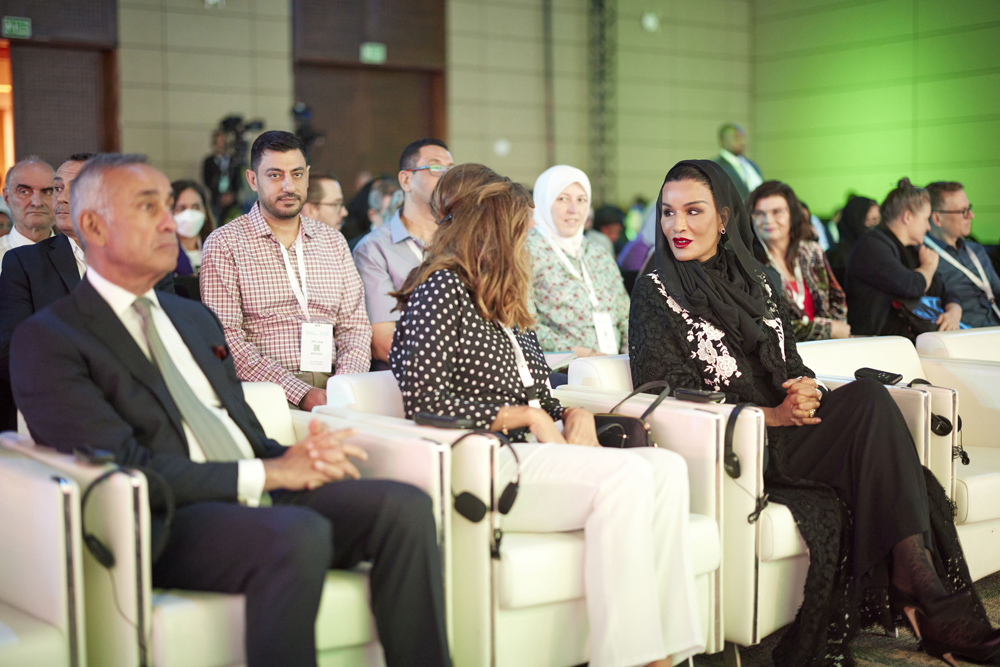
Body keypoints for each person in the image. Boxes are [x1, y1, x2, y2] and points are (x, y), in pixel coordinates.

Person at [10, 153, 450, 667]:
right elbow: (127, 467)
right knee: (296, 534)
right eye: (147, 207)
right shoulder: (50, 339)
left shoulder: (192, 318)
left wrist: (297, 456)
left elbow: (238, 430)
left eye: (168, 207)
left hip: (253, 486)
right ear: (92, 225)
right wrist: (267, 472)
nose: (169, 222)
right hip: (166, 518)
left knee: (405, 506)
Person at [629, 158, 1000, 666]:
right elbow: (671, 397)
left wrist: (804, 389)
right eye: (668, 213)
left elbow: (790, 360)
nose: (677, 226)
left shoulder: (757, 278)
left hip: (792, 425)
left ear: (723, 217)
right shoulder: (656, 291)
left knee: (869, 398)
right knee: (874, 418)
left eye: (693, 211)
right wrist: (774, 415)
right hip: (740, 444)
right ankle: (926, 596)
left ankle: (921, 588)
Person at [390, 163, 703, 667]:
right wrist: (528, 419)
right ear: (491, 230)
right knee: (625, 479)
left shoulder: (505, 295)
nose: (528, 239)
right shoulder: (439, 289)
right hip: (491, 459)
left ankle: (665, 653)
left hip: (540, 448)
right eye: (521, 229)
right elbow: (426, 403)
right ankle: (634, 660)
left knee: (665, 469)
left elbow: (539, 389)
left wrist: (569, 411)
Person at [0, 152, 172, 431]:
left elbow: (168, 336)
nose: (61, 198)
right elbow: (12, 351)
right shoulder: (25, 264)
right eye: (57, 188)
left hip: (141, 404)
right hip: (55, 408)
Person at [200, 131, 371, 411]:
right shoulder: (225, 243)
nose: (289, 186)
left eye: (297, 174)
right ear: (253, 180)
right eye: (275, 175)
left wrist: (345, 386)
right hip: (269, 392)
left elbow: (355, 327)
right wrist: (302, 393)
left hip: (339, 386)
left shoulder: (332, 240)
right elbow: (226, 338)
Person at [353, 138, 454, 366]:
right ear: (406, 179)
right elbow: (382, 341)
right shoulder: (374, 249)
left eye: (451, 170)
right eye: (436, 168)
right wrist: (447, 368)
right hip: (415, 373)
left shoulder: (461, 242)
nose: (447, 177)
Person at [527, 165, 629, 357]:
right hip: (561, 373)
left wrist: (628, 360)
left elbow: (626, 315)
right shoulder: (525, 251)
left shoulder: (598, 254)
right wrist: (583, 355)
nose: (574, 209)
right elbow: (522, 322)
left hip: (616, 370)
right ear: (544, 201)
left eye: (582, 200)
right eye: (562, 199)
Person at [845, 179, 962, 339]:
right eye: (925, 219)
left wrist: (954, 312)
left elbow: (944, 289)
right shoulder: (871, 246)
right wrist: (928, 267)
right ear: (907, 217)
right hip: (877, 345)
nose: (928, 227)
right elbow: (911, 286)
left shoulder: (912, 249)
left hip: (907, 341)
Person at [748, 181, 849, 341]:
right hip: (784, 355)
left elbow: (836, 298)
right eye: (759, 213)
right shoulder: (749, 263)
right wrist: (827, 330)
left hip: (830, 348)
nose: (768, 220)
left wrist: (837, 332)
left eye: (777, 212)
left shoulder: (811, 252)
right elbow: (768, 325)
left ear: (792, 215)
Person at [925, 181, 1000, 328]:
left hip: (993, 328)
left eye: (969, 208)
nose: (971, 216)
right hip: (962, 335)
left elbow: (997, 291)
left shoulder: (976, 250)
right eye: (963, 211)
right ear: (937, 218)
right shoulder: (924, 255)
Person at [0, 156, 55, 271]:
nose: (37, 202)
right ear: (6, 198)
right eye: (24, 192)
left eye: (47, 192)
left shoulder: (82, 255)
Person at [826, 195, 879, 286]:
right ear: (857, 219)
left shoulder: (877, 248)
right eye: (871, 220)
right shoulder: (836, 255)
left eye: (877, 220)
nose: (875, 225)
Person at [171, 180, 216, 277]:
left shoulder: (220, 249)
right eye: (181, 208)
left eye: (196, 207)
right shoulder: (162, 256)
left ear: (205, 211)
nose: (190, 215)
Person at [711, 123, 762, 200]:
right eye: (736, 138)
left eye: (742, 137)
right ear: (723, 141)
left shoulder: (751, 165)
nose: (741, 142)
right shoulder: (715, 167)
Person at [202, 130, 242, 223]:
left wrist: (231, 195)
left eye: (223, 142)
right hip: (216, 200)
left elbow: (238, 180)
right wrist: (219, 195)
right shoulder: (209, 161)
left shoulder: (233, 161)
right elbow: (207, 180)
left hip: (232, 201)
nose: (221, 145)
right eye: (218, 142)